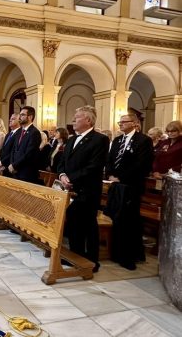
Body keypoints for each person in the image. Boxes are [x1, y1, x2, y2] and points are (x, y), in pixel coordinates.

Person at [58, 105, 109, 273]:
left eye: (77, 116)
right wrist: (63, 175)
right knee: (73, 222)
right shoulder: (72, 139)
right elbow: (63, 162)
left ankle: (92, 260)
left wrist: (71, 178)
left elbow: (94, 166)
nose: (73, 119)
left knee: (88, 225)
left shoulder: (99, 139)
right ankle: (76, 256)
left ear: (88, 120)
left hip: (87, 190)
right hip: (70, 189)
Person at [105, 113, 153, 270]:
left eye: (124, 122)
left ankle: (128, 256)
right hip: (116, 186)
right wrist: (111, 175)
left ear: (135, 123)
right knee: (116, 218)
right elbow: (111, 159)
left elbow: (142, 165)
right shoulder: (118, 140)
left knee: (129, 221)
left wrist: (121, 178)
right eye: (120, 122)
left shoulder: (143, 140)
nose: (121, 124)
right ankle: (116, 252)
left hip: (131, 186)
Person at [8, 106, 42, 183]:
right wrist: (11, 164)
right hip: (15, 172)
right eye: (20, 114)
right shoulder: (19, 131)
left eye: (22, 115)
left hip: (26, 173)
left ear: (30, 117)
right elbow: (13, 150)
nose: (20, 117)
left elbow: (29, 154)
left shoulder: (34, 133)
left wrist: (14, 165)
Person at [0, 113, 20, 177]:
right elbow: (3, 149)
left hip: (11, 166)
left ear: (19, 121)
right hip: (3, 166)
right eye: (10, 119)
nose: (10, 120)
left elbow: (13, 151)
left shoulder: (19, 134)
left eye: (13, 119)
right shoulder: (8, 134)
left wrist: (2, 162)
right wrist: (0, 161)